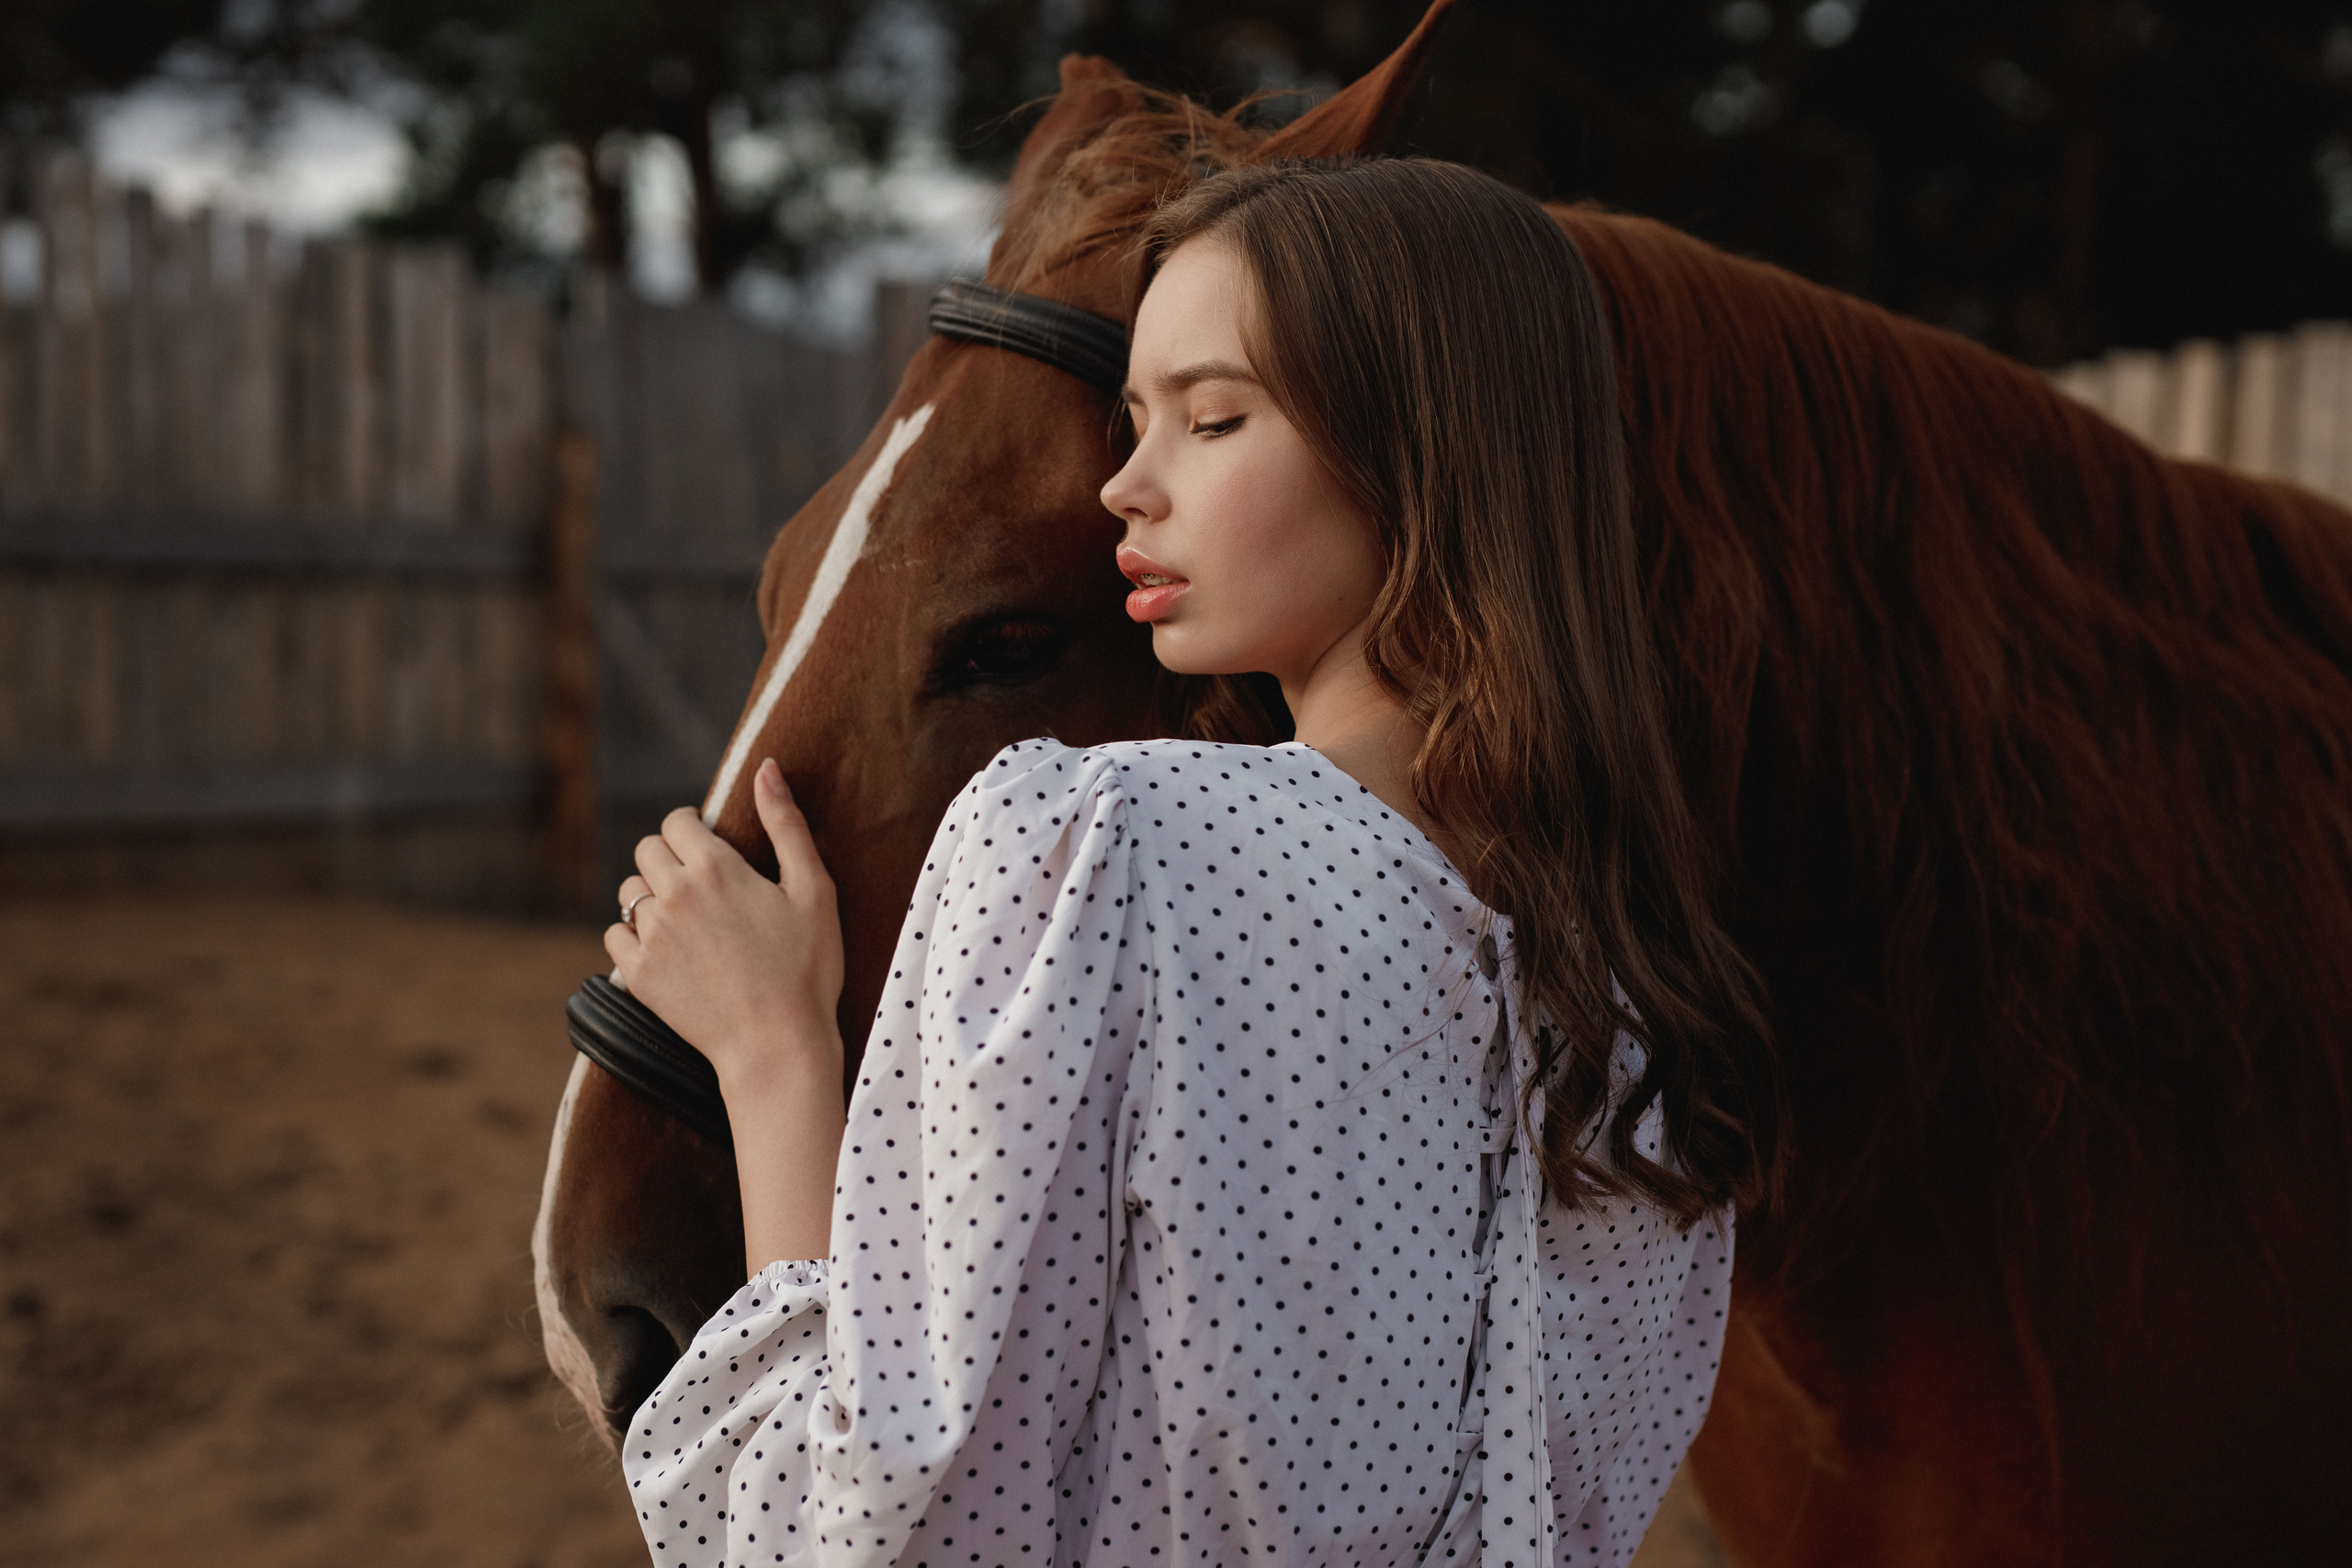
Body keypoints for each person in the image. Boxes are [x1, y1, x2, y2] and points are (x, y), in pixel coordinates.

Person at [605, 156, 1777, 1568]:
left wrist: (773, 1054)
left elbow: (846, 1534)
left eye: (1213, 419)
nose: (1125, 487)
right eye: (1135, 420)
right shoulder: (1635, 1045)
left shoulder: (1104, 853)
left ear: (1427, 450)